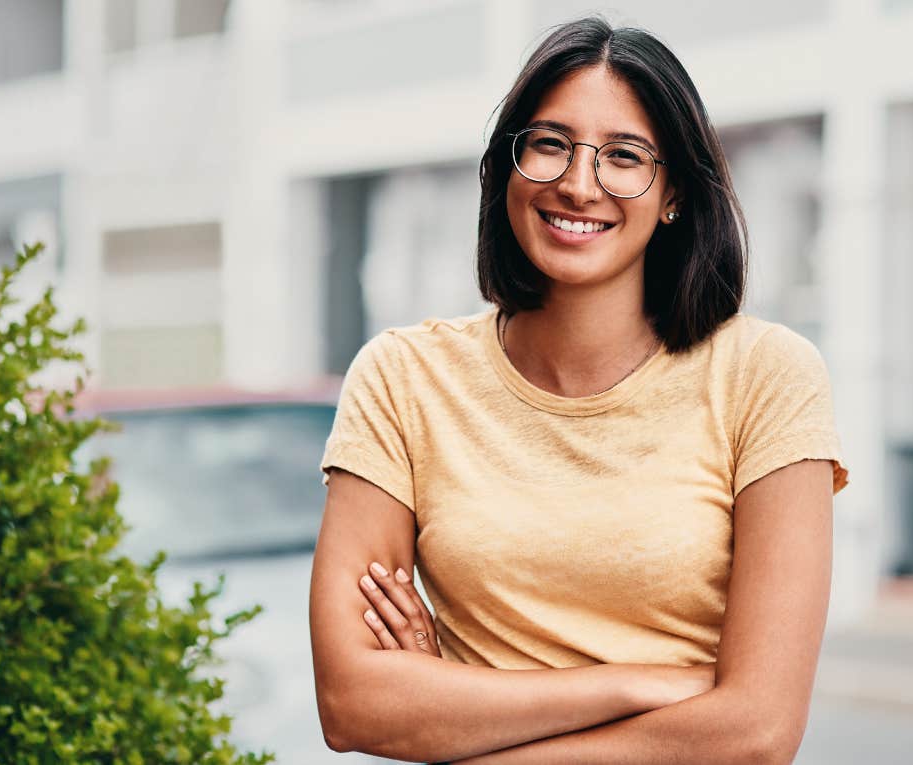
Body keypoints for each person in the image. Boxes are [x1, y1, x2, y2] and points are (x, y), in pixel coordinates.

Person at [308, 16, 849, 764]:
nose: (578, 182)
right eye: (550, 143)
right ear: (508, 167)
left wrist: (455, 718)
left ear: (674, 195)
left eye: (624, 156)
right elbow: (353, 702)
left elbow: (756, 731)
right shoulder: (402, 378)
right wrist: (631, 684)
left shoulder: (767, 376)